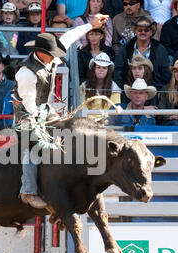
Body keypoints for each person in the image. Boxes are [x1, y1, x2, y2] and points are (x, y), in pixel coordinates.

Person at [11, 13, 108, 209]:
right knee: (34, 146)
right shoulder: (25, 73)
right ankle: (28, 190)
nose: (57, 56)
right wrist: (40, 123)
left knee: (65, 127)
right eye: (53, 53)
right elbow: (29, 105)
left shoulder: (49, 54)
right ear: (42, 53)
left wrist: (91, 25)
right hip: (26, 114)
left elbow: (70, 36)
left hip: (43, 106)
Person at [113, 15, 171, 93]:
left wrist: (159, 91)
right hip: (130, 90)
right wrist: (124, 90)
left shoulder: (160, 49)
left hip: (153, 91)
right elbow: (118, 71)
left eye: (146, 30)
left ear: (151, 32)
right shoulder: (126, 48)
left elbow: (165, 74)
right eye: (140, 30)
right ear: (135, 31)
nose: (143, 32)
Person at [79, 52, 121, 121]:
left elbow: (114, 111)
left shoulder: (115, 88)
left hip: (108, 125)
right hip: (88, 125)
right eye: (98, 67)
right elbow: (82, 108)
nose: (101, 70)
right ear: (94, 69)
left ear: (108, 70)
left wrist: (102, 121)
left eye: (104, 68)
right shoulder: (84, 87)